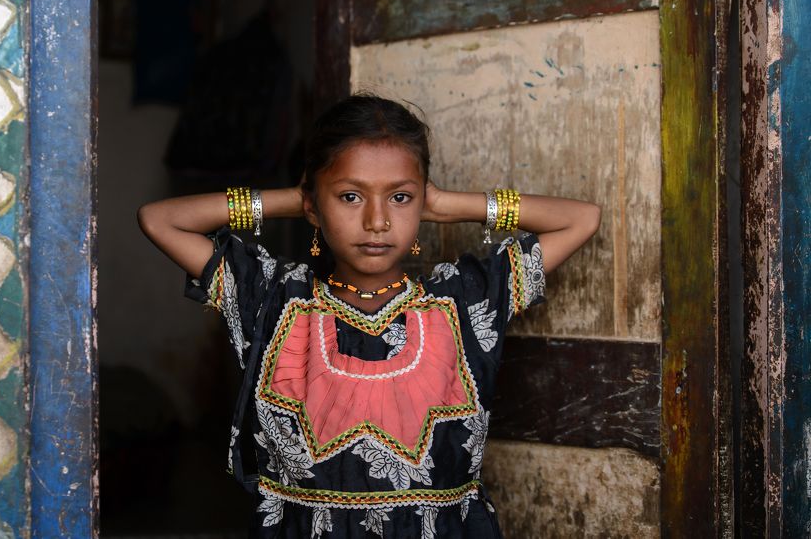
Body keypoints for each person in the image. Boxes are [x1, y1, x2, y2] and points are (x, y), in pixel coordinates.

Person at [138, 94, 600, 537]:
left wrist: (446, 204)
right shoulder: (274, 298)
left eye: (399, 198)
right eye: (351, 197)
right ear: (315, 204)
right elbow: (160, 219)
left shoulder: (464, 300)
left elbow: (582, 219)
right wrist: (298, 200)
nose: (377, 221)